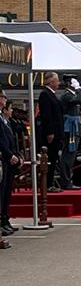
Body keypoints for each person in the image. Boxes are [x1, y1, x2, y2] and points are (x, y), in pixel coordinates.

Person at [37, 71, 65, 193]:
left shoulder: (52, 95)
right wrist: (50, 132)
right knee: (50, 159)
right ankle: (47, 184)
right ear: (51, 81)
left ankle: (50, 183)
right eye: (57, 80)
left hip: (57, 132)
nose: (59, 83)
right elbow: (46, 115)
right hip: (51, 133)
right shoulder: (45, 94)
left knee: (53, 159)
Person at [58, 74, 81, 191]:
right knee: (68, 156)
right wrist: (79, 89)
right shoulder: (66, 95)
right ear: (69, 83)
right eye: (74, 82)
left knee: (71, 155)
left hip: (74, 127)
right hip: (69, 128)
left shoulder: (71, 94)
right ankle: (66, 181)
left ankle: (69, 179)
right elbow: (80, 99)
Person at [0, 97, 21, 237]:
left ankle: (5, 219)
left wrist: (17, 155)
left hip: (10, 159)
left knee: (7, 193)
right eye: (3, 98)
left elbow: (12, 139)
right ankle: (2, 221)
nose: (12, 110)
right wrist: (9, 155)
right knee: (2, 192)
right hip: (4, 158)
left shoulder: (7, 121)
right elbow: (1, 141)